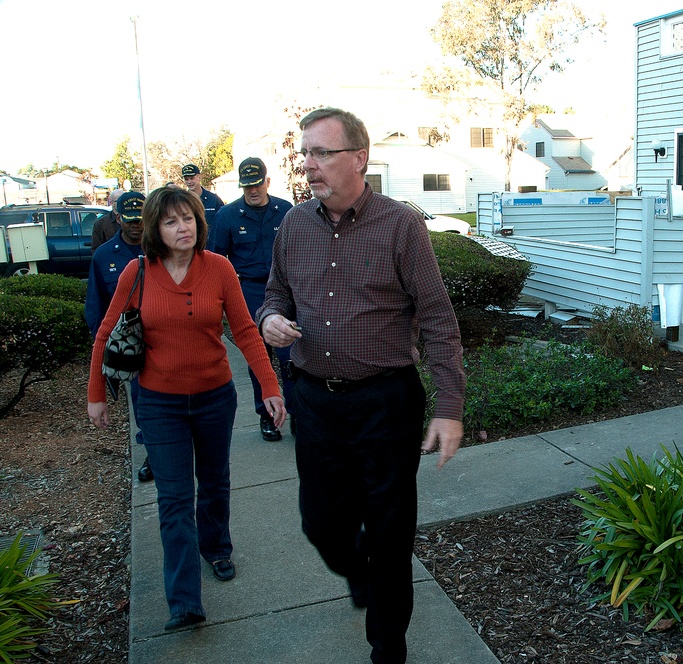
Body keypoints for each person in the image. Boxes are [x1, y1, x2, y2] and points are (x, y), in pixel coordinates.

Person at [258, 107, 464, 664]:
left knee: (392, 535)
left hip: (385, 403)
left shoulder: (400, 225)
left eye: (321, 153)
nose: (308, 166)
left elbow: (439, 318)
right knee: (321, 523)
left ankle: (387, 650)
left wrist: (449, 407)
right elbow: (276, 293)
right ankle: (358, 571)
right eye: (305, 153)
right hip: (315, 402)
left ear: (359, 159)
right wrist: (269, 319)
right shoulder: (294, 226)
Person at [86, 186, 286, 632]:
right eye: (172, 221)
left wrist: (270, 388)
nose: (184, 228)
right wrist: (96, 393)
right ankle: (184, 600)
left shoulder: (219, 269)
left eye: (190, 219)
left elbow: (247, 332)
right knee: (174, 498)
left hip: (216, 397)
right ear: (156, 229)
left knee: (214, 482)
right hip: (158, 403)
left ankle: (216, 547)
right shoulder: (136, 274)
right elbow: (104, 334)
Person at [209, 157, 293, 441]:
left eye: (257, 184)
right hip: (249, 291)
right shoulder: (228, 215)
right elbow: (215, 260)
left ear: (267, 181)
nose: (253, 191)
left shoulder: (286, 211)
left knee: (290, 355)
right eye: (247, 186)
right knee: (260, 356)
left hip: (285, 290)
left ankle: (297, 413)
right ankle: (267, 416)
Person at [84, 191, 154, 483]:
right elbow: (96, 307)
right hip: (130, 345)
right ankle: (154, 452)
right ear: (117, 219)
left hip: (164, 337)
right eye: (129, 221)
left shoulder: (161, 250)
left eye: (140, 220)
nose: (135, 226)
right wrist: (104, 350)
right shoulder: (103, 257)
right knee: (141, 399)